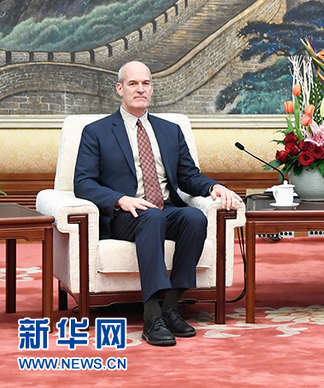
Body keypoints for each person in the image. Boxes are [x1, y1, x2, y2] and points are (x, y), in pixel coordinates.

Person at [73, 61, 242, 346]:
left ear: (152, 88)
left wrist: (214, 186)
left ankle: (171, 307)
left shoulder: (170, 130)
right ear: (119, 89)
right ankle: (151, 316)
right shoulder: (96, 131)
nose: (141, 89)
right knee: (151, 218)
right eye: (133, 84)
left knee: (195, 218)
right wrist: (119, 199)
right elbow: (83, 182)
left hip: (165, 207)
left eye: (146, 83)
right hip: (125, 214)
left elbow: (189, 176)